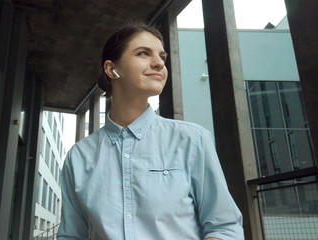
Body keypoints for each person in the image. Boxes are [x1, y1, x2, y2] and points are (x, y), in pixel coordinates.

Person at [57, 22, 244, 240]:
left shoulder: (192, 140)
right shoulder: (79, 156)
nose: (158, 63)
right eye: (143, 53)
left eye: (162, 57)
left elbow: (225, 227)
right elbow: (71, 236)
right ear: (111, 69)